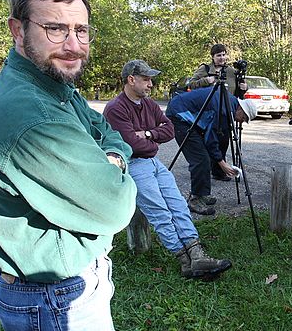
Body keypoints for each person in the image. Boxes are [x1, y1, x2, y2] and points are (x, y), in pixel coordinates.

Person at [0, 0, 137, 330]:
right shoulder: (34, 117)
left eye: (82, 30)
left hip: (55, 291)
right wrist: (113, 166)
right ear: (18, 29)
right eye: (55, 29)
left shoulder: (51, 84)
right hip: (53, 298)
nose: (73, 45)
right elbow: (115, 206)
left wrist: (112, 157)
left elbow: (112, 134)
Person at [103, 60, 232, 279]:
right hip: (134, 164)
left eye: (151, 80)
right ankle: (184, 260)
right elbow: (130, 145)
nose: (150, 84)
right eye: (146, 79)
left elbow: (169, 130)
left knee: (178, 204)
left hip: (153, 162)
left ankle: (197, 254)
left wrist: (147, 135)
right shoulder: (116, 108)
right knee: (160, 212)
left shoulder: (150, 104)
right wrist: (151, 139)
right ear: (131, 80)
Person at [165, 86, 257, 212]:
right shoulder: (225, 110)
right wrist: (222, 163)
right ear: (241, 109)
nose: (241, 122)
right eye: (244, 118)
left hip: (185, 112)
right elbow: (211, 138)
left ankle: (202, 194)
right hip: (179, 115)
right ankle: (195, 200)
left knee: (205, 156)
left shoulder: (229, 103)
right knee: (200, 159)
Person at [188, 43, 248, 181]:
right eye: (218, 55)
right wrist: (206, 80)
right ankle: (204, 168)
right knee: (208, 140)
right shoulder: (205, 69)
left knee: (223, 142)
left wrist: (244, 87)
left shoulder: (232, 71)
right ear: (213, 57)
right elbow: (191, 84)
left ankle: (218, 171)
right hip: (208, 111)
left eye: (223, 55)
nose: (221, 58)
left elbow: (238, 91)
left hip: (226, 111)